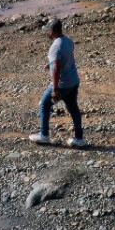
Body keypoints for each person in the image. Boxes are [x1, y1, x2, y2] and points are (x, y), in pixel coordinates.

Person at [30, 18, 85, 147]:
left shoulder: (55, 47)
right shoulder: (68, 41)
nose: (46, 33)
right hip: (73, 81)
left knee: (44, 105)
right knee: (73, 108)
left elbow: (56, 68)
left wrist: (55, 89)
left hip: (62, 84)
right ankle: (79, 138)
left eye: (48, 31)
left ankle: (44, 135)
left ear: (53, 31)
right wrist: (50, 64)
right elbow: (64, 59)